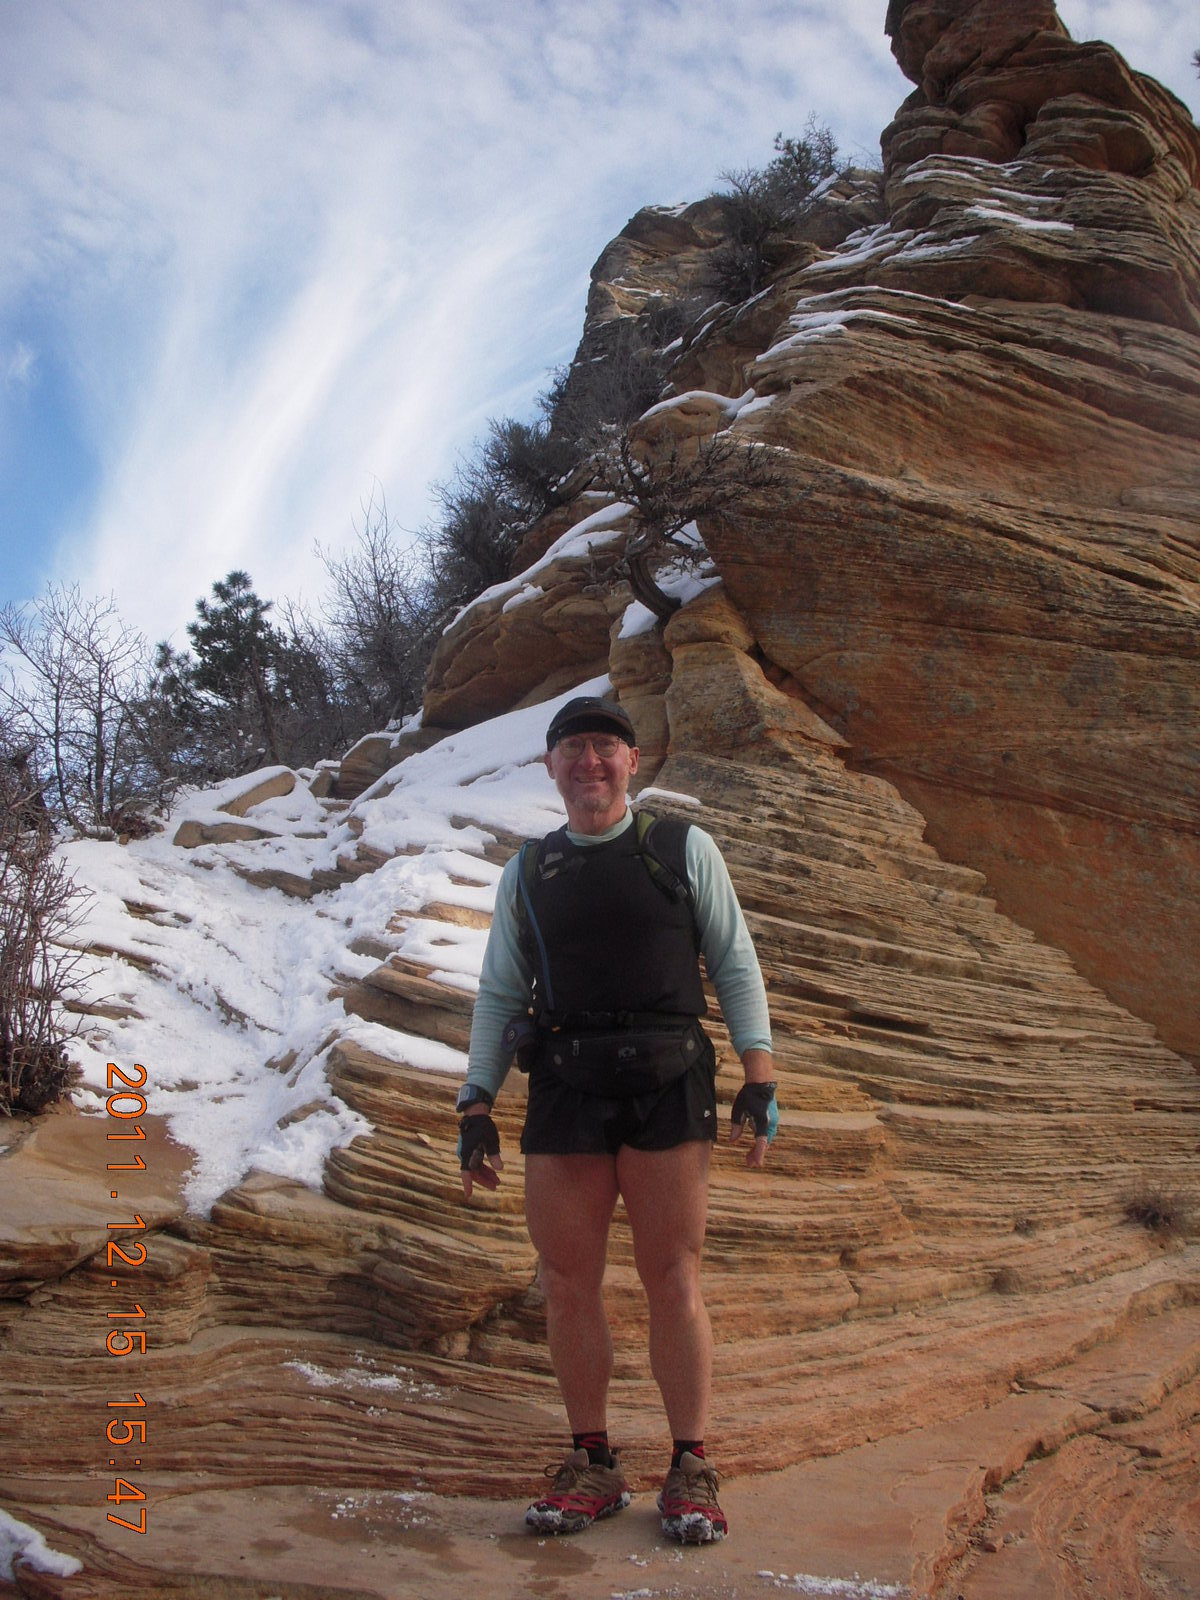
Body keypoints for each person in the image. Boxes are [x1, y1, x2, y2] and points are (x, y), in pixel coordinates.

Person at [455, 694, 777, 1545]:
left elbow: (734, 962)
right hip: (566, 1083)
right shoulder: (531, 871)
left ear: (633, 761)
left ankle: (691, 1467)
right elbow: (499, 992)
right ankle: (592, 1463)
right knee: (567, 1281)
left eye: (605, 746)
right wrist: (476, 1102)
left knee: (673, 1274)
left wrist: (760, 1078)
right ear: (550, 766)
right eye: (573, 749)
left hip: (667, 1079)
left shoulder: (680, 847)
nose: (589, 762)